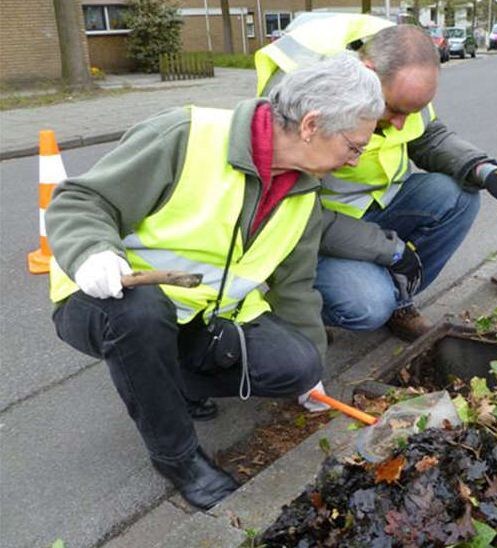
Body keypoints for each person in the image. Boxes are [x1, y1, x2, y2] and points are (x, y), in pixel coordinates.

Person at [45, 54, 384, 510]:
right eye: (354, 146)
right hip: (107, 299)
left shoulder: (303, 189)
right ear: (310, 125)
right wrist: (92, 252)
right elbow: (81, 200)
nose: (354, 160)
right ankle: (177, 457)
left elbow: (296, 285)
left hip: (206, 315)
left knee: (296, 365)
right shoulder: (186, 136)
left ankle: (172, 382)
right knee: (139, 311)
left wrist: (312, 377)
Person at [255, 15, 497, 342]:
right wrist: (390, 251)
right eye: (393, 110)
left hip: (373, 210)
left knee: (458, 196)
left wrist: (485, 171)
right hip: (310, 230)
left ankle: (398, 302)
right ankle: (298, 310)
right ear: (368, 74)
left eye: (411, 112)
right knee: (368, 305)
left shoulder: (399, 64)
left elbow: (429, 136)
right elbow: (294, 213)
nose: (401, 125)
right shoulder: (300, 93)